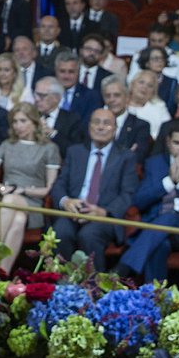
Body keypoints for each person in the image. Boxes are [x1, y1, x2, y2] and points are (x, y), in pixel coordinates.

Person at [115, 120, 179, 283]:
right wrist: (169, 182)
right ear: (168, 142)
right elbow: (139, 201)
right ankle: (154, 298)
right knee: (159, 246)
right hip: (158, 230)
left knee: (171, 216)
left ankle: (122, 269)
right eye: (177, 143)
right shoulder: (154, 164)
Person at [49, 109, 139, 272]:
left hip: (104, 216)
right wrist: (66, 201)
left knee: (88, 235)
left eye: (106, 123)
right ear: (89, 126)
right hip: (74, 212)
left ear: (115, 128)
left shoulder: (125, 156)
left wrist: (102, 212)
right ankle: (62, 286)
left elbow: (128, 194)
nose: (100, 127)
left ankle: (94, 288)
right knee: (60, 231)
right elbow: (59, 185)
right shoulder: (75, 151)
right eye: (96, 122)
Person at [0, 102, 61, 273]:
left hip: (33, 202)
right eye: (15, 122)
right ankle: (1, 275)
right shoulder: (8, 144)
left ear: (34, 122)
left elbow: (49, 189)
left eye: (23, 121)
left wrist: (23, 190)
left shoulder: (49, 148)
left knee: (11, 202)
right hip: (7, 199)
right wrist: (3, 189)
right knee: (18, 219)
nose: (18, 126)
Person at [100, 76, 152, 163]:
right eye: (108, 96)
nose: (112, 100)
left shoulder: (140, 126)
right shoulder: (95, 123)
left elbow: (138, 158)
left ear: (127, 97)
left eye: (117, 95)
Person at [128, 69, 171, 141]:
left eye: (150, 85)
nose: (144, 87)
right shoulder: (120, 104)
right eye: (141, 82)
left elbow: (167, 132)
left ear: (153, 91)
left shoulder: (159, 107)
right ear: (132, 84)